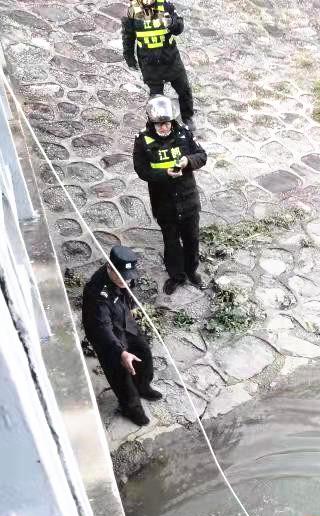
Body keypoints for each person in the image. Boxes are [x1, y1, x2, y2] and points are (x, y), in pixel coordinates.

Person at [133, 95, 207, 296]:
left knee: (192, 239)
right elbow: (141, 171)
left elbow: (202, 156)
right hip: (164, 203)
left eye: (166, 124)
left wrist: (187, 162)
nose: (164, 128)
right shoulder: (143, 141)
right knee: (171, 243)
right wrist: (165, 174)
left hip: (188, 199)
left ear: (172, 121)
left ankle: (192, 272)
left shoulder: (184, 134)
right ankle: (176, 276)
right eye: (159, 125)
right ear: (151, 122)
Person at [82, 245, 162, 426]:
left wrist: (131, 307)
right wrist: (121, 353)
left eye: (127, 276)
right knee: (121, 375)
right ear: (109, 267)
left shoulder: (123, 277)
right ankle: (131, 408)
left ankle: (143, 386)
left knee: (143, 352)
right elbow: (102, 328)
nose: (124, 280)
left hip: (125, 322)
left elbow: (127, 291)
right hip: (108, 338)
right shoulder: (97, 293)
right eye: (119, 276)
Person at [121, 0, 194, 128]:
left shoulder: (166, 6)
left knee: (184, 90)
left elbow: (179, 28)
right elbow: (128, 36)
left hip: (171, 59)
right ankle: (159, 127)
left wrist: (172, 22)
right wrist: (129, 57)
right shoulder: (132, 11)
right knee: (156, 100)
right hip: (149, 64)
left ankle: (187, 118)